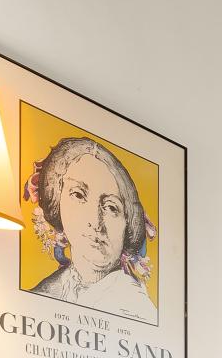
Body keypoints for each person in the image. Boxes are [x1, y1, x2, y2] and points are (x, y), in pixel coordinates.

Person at [26, 135, 158, 323]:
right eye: (78, 195)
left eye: (111, 207)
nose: (96, 222)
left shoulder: (137, 308)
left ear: (128, 223)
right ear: (57, 201)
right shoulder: (44, 292)